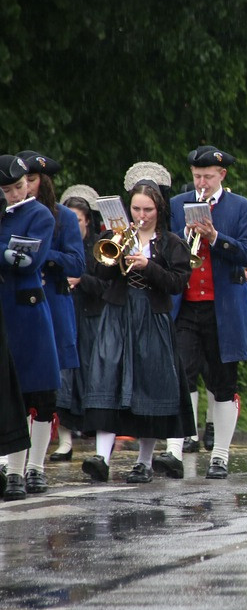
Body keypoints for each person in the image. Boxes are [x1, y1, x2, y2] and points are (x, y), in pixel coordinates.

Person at [80, 181, 194, 484]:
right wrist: (116, 245)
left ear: (159, 210)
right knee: (108, 378)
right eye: (136, 208)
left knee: (149, 386)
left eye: (147, 209)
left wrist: (147, 265)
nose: (141, 215)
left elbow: (178, 283)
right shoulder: (117, 235)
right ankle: (102, 458)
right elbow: (97, 271)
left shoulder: (170, 242)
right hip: (117, 312)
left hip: (151, 317)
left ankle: (144, 462)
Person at [165, 146, 247, 479]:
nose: (201, 182)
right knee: (180, 374)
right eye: (196, 176)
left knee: (222, 383)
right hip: (186, 305)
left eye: (207, 176)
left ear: (222, 175)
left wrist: (216, 237)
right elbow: (163, 248)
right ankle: (174, 450)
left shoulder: (240, 207)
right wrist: (182, 238)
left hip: (224, 309)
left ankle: (220, 454)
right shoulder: (177, 205)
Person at [19, 151, 85, 491]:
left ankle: (35, 466)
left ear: (43, 183)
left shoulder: (62, 218)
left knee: (46, 392)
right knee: (16, 390)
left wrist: (43, 253)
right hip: (18, 309)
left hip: (53, 308)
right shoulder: (9, 216)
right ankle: (12, 463)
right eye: (20, 181)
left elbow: (77, 262)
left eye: (31, 180)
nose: (25, 187)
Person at [0, 154, 53, 500]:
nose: (16, 194)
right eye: (8, 190)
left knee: (35, 392)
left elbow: (28, 260)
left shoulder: (39, 214)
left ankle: (26, 469)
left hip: (26, 310)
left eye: (19, 187)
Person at [54, 188, 108, 462]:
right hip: (66, 314)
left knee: (94, 377)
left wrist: (81, 281)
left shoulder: (99, 246)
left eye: (78, 219)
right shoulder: (60, 245)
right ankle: (65, 442)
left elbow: (106, 287)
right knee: (64, 377)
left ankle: (99, 445)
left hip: (93, 319)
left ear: (87, 220)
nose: (73, 225)